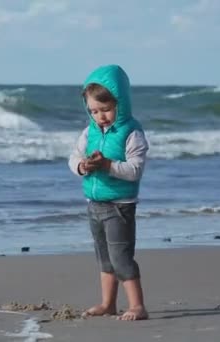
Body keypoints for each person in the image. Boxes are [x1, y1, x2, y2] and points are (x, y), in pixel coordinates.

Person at [68, 64, 149, 321]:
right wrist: (83, 166)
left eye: (106, 110)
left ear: (120, 103)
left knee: (121, 257)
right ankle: (108, 303)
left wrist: (108, 166)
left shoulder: (131, 132)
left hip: (120, 205)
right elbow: (74, 157)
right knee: (104, 259)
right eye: (93, 111)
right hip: (94, 203)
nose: (100, 116)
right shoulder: (89, 132)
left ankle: (137, 305)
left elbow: (135, 170)